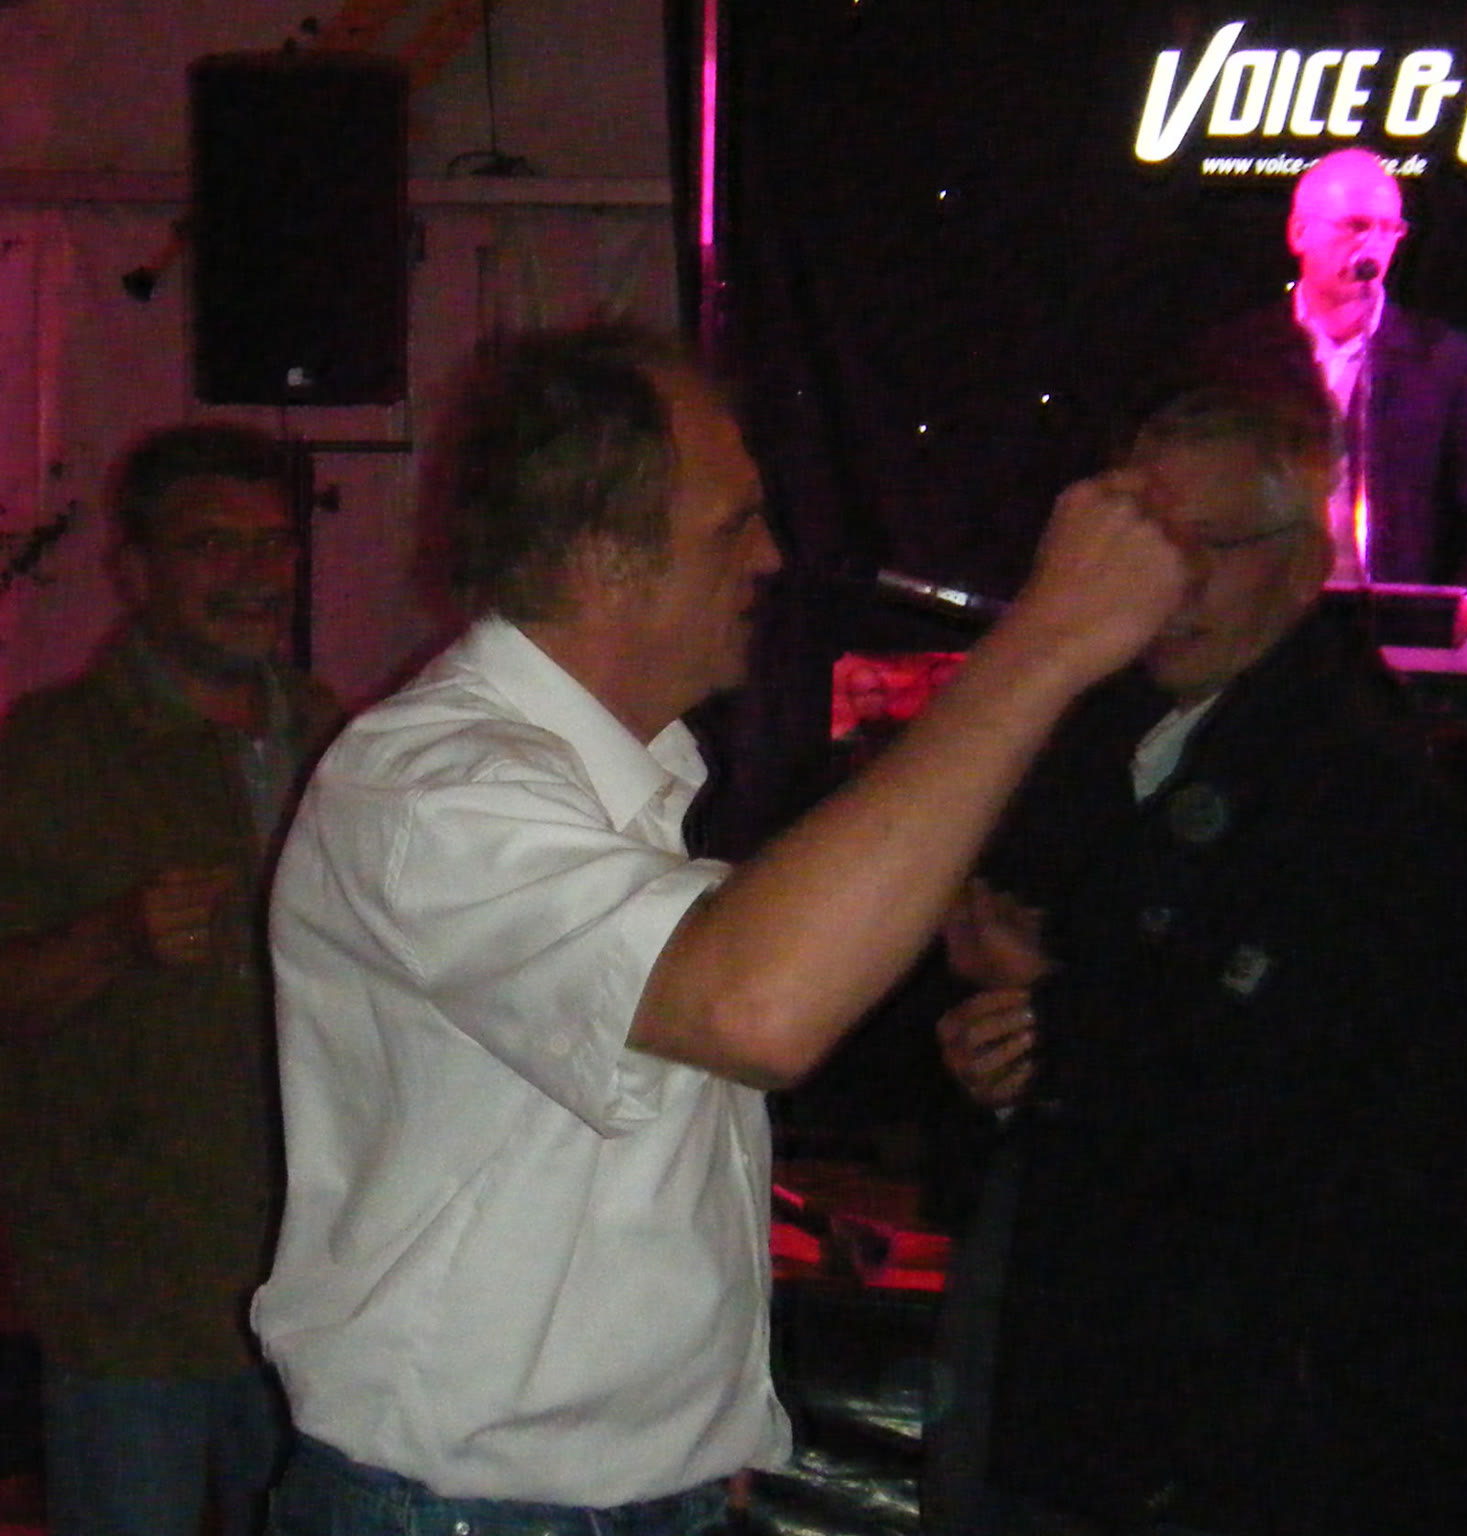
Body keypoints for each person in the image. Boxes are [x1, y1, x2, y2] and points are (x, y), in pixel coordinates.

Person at [250, 321, 1185, 1532]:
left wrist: (696, 1434)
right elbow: (754, 1010)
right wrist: (1042, 645)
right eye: (732, 524)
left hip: (601, 1498)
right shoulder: (436, 787)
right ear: (603, 557)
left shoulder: (597, 783)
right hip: (465, 1512)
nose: (769, 555)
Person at [928, 389, 1467, 1535]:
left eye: (1213, 548)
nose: (1174, 585)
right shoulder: (1098, 725)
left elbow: (1310, 1100)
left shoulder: (1359, 782)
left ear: (1305, 560)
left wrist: (1046, 1022)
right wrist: (984, 1039)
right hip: (1089, 1370)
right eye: (1151, 547)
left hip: (1254, 1412)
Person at [0, 424, 337, 1536]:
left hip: (321, 1290)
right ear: (134, 570)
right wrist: (114, 938)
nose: (253, 574)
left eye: (272, 544)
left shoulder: (341, 740)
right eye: (210, 545)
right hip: (131, 1304)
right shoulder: (49, 756)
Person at [1189, 146, 1467, 642]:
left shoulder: (1444, 360)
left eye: (1390, 229)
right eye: (1355, 226)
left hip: (1393, 626)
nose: (1373, 245)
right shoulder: (1237, 357)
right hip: (1262, 625)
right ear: (1299, 232)